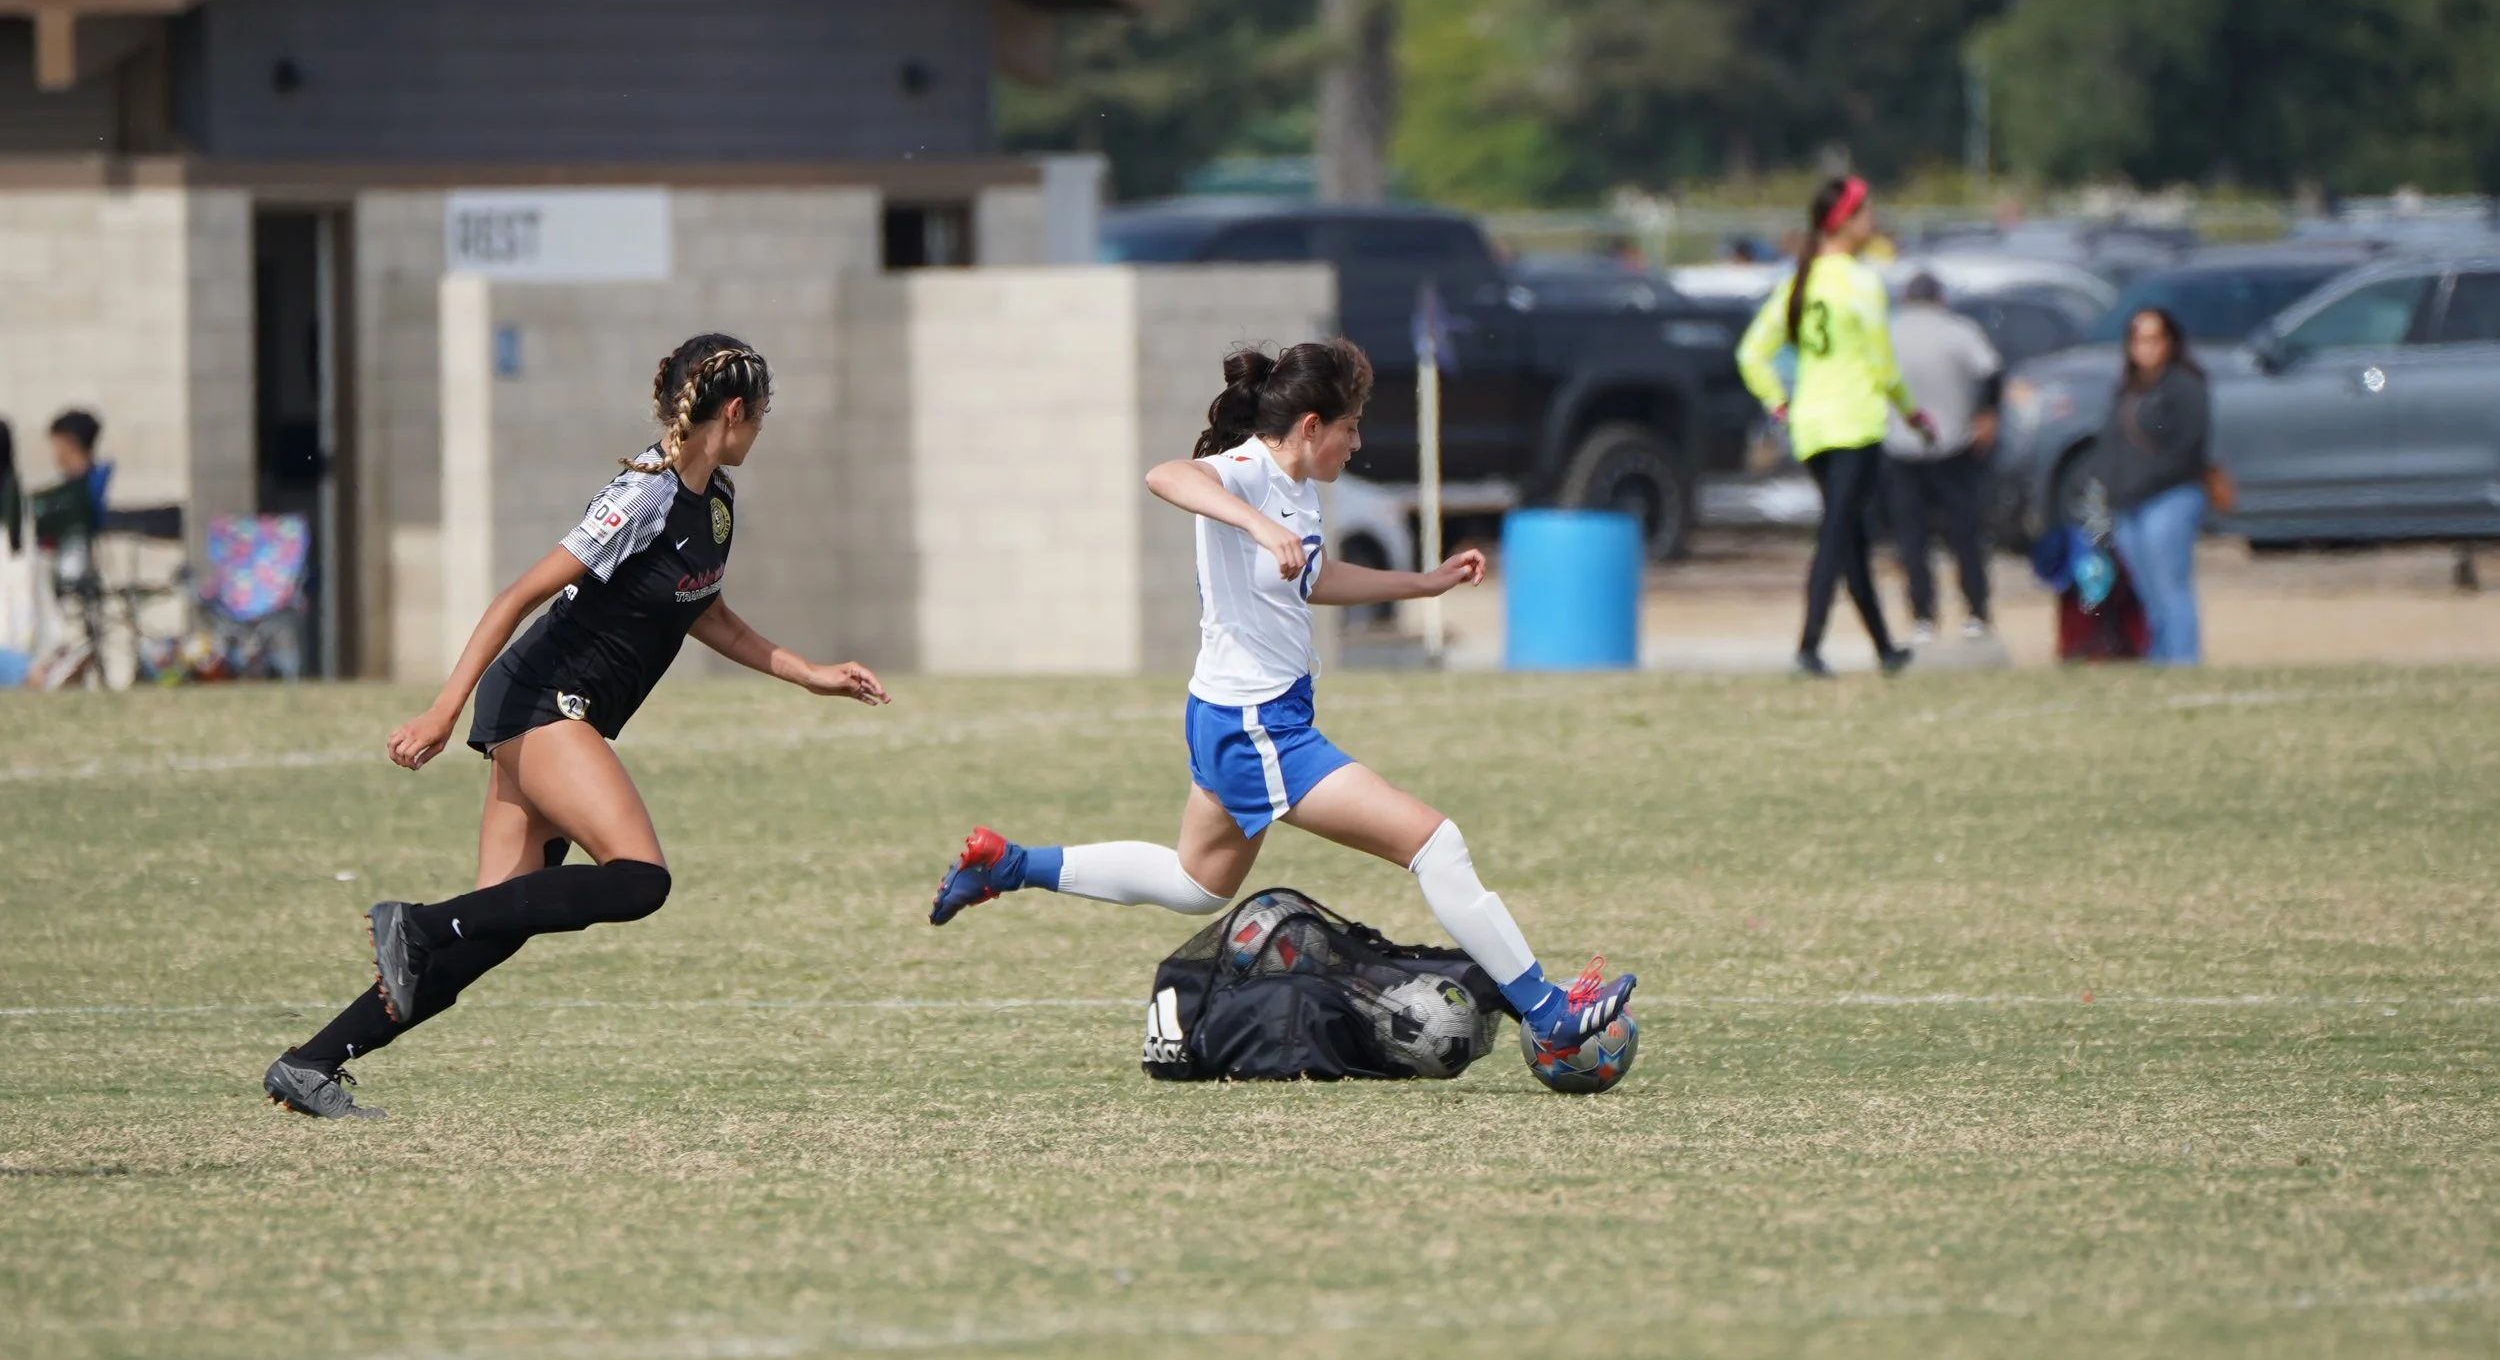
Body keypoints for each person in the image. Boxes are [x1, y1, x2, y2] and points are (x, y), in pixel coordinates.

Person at [925, 339, 1635, 1055]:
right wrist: (1254, 522)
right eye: (1351, 426)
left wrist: (1424, 584)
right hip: (1256, 725)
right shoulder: (1248, 471)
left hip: (1242, 715)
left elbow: (1313, 578)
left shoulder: (1299, 488)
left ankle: (1007, 864)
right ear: (1311, 426)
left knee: (1196, 884)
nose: (1357, 443)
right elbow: (1165, 475)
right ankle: (1545, 1008)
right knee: (1435, 844)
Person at [263, 334, 891, 1119]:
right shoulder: (644, 495)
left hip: (550, 708)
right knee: (639, 878)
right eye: (763, 414)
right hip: (544, 698)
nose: (763, 428)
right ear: (734, 411)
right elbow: (518, 596)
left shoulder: (716, 503)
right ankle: (415, 923)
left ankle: (311, 1062)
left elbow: (708, 614)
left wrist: (810, 673)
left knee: (487, 931)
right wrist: (441, 709)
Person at [1737, 175, 1935, 677]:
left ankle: (1885, 649)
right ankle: (1808, 647)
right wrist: (1914, 414)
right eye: (1866, 213)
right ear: (1844, 221)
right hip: (1854, 424)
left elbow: (1751, 353)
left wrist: (1778, 404)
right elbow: (1884, 368)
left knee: (1850, 537)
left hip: (1811, 427)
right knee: (1835, 533)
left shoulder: (1798, 281)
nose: (1873, 221)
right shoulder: (1862, 283)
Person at [1883, 273, 2003, 643]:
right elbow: (1992, 372)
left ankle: (1922, 615)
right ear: (1939, 299)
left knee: (1912, 538)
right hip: (1954, 443)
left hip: (1901, 446)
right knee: (1964, 534)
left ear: (1906, 299)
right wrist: (1987, 413)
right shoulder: (1958, 331)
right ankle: (1976, 611)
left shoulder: (1889, 333)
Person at [2098, 307, 2210, 665]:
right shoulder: (2126, 390)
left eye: (2154, 339)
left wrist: (2144, 482)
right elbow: (2110, 446)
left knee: (2171, 585)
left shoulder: (2184, 386)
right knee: (2147, 592)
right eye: (2138, 339)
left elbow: (2188, 448)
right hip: (2127, 504)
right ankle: (2159, 658)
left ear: (2170, 342)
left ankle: (2183, 659)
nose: (2146, 347)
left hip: (2169, 497)